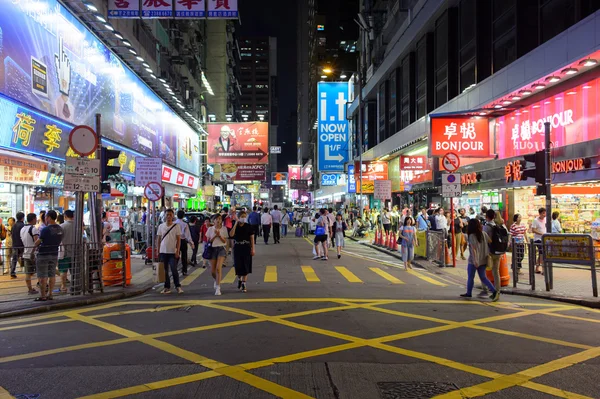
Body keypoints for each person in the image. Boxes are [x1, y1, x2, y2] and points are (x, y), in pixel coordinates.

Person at [461, 218, 499, 301]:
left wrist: (475, 261)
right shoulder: (484, 234)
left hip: (474, 260)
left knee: (471, 277)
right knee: (483, 277)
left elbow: (473, 249)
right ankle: (494, 291)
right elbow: (490, 241)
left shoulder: (471, 236)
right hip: (484, 259)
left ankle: (469, 293)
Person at [32, 210, 63, 302]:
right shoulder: (60, 229)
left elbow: (38, 241)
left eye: (46, 217)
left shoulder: (45, 229)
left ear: (49, 217)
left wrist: (34, 246)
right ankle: (50, 294)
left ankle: (43, 296)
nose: (45, 218)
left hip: (43, 254)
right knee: (52, 274)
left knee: (42, 276)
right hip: (54, 254)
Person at [483, 209, 508, 296]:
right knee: (496, 271)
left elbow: (484, 239)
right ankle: (497, 290)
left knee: (484, 270)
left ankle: (485, 288)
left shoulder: (487, 226)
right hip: (499, 252)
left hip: (489, 252)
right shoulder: (501, 225)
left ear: (486, 217)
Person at [157, 209, 182, 294]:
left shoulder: (176, 226)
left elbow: (178, 240)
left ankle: (177, 286)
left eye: (170, 215)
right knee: (165, 271)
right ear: (164, 216)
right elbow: (159, 239)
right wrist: (158, 250)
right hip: (163, 251)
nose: (168, 216)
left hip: (172, 252)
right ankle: (167, 287)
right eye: (167, 215)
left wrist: (177, 251)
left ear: (173, 216)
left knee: (174, 269)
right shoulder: (161, 226)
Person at [229, 210, 255, 293]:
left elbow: (252, 238)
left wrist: (253, 249)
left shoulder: (248, 226)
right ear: (239, 217)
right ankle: (239, 279)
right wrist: (236, 223)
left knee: (246, 265)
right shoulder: (235, 226)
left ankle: (244, 283)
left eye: (245, 217)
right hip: (237, 248)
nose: (243, 218)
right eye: (242, 217)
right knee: (238, 265)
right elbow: (231, 235)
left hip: (246, 247)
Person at [207, 214, 228, 295]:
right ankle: (216, 280)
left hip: (221, 249)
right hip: (212, 249)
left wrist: (219, 235)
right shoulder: (210, 229)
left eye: (220, 219)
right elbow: (209, 241)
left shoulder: (224, 229)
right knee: (213, 271)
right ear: (213, 221)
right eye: (216, 219)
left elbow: (224, 241)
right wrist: (215, 235)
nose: (218, 220)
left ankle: (218, 288)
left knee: (218, 269)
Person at [20, 213, 38, 295]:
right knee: (41, 271)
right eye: (36, 218)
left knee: (27, 273)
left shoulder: (22, 229)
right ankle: (44, 287)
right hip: (33, 254)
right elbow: (36, 241)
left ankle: (30, 289)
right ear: (33, 219)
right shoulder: (33, 229)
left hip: (26, 253)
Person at [59, 210, 75, 293]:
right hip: (75, 252)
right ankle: (75, 285)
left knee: (63, 271)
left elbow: (59, 239)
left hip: (64, 252)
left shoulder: (61, 226)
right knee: (74, 270)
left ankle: (63, 286)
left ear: (65, 216)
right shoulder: (77, 226)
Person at [175, 210, 194, 276]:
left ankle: (174, 270)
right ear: (183, 216)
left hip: (175, 242)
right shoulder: (185, 224)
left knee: (176, 256)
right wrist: (191, 243)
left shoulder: (174, 223)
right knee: (184, 256)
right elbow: (188, 235)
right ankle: (184, 270)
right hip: (183, 241)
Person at [531, 207, 547, 274]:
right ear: (540, 213)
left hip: (544, 239)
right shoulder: (535, 220)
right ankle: (543, 269)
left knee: (541, 254)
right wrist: (541, 233)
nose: (544, 214)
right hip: (538, 239)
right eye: (543, 213)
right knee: (542, 254)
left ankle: (537, 268)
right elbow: (533, 230)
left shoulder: (546, 219)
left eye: (545, 213)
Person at [10, 212, 25, 279]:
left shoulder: (14, 226)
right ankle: (30, 270)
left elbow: (12, 235)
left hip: (15, 244)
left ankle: (12, 272)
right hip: (21, 245)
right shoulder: (23, 225)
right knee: (27, 257)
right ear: (22, 218)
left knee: (14, 259)